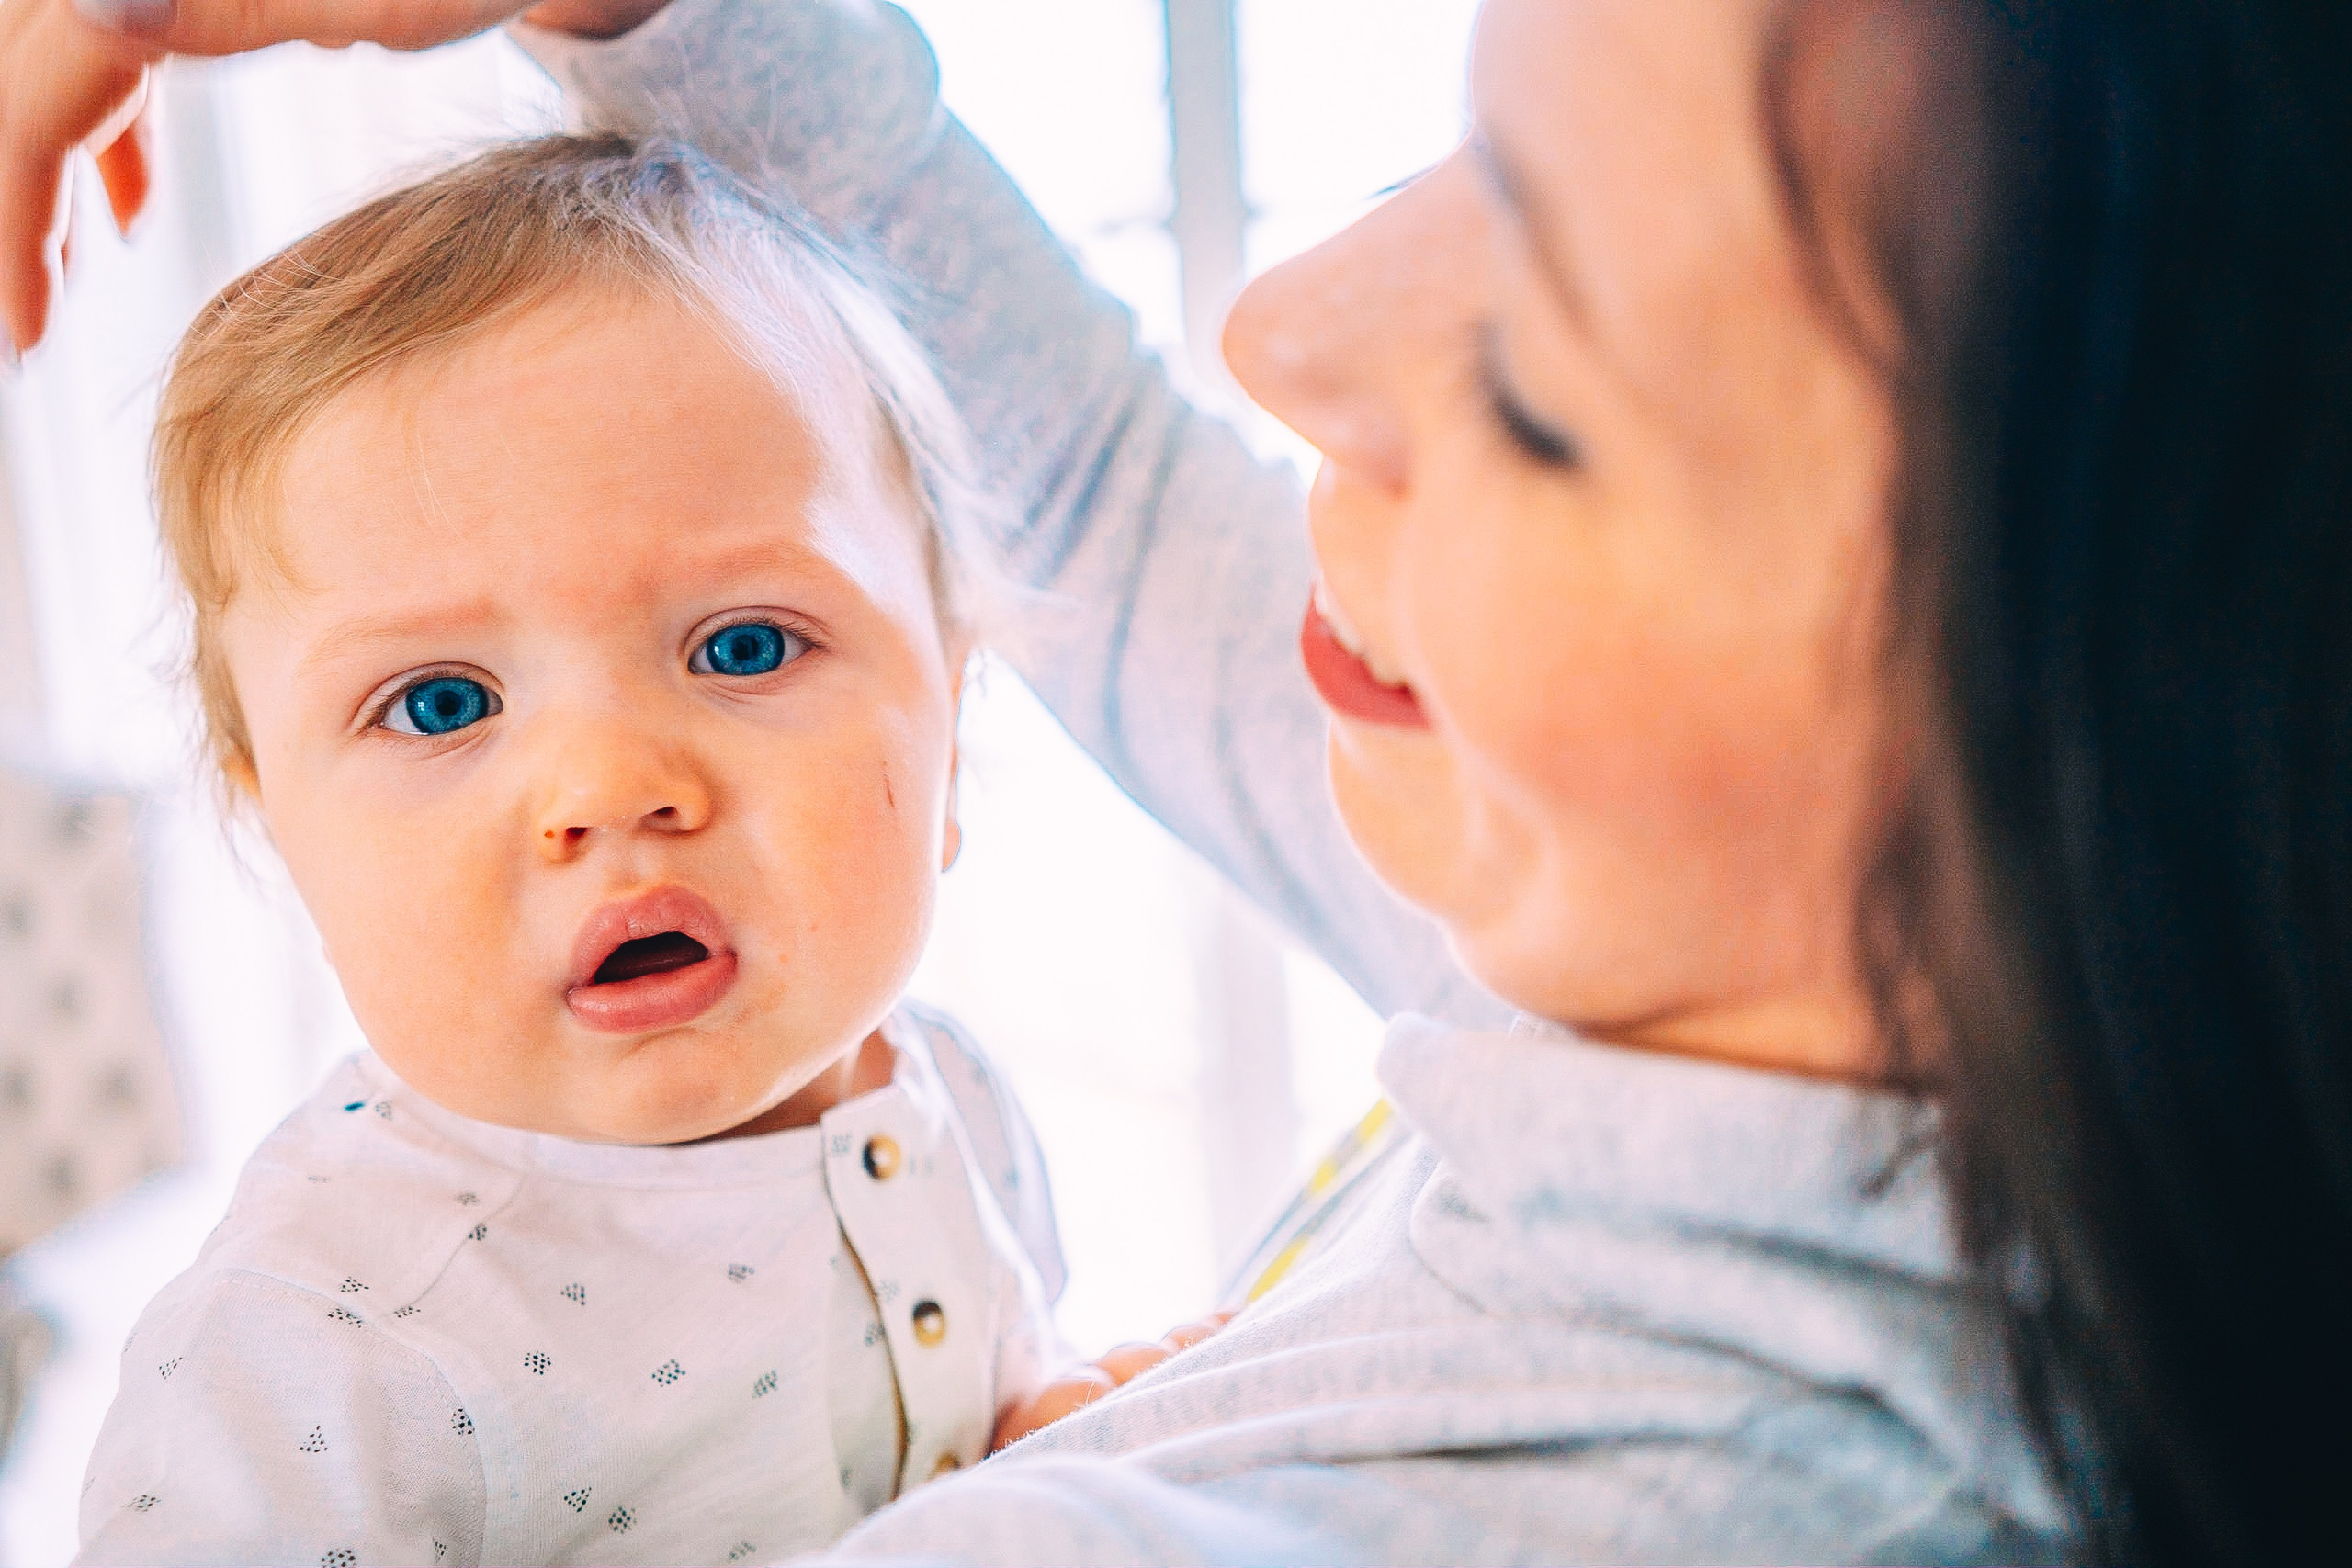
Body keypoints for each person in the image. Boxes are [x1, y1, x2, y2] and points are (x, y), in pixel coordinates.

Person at [10, 0, 2352, 1563]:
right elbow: (1105, 510)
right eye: (1455, 163)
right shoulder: (1723, 942)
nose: (1280, 334)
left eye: (1541, 371)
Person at [72, 133, 1078, 1565]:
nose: (611, 788)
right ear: (279, 826)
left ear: (954, 725)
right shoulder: (319, 1351)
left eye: (741, 646)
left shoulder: (952, 1097)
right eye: (442, 704)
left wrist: (1056, 1441)